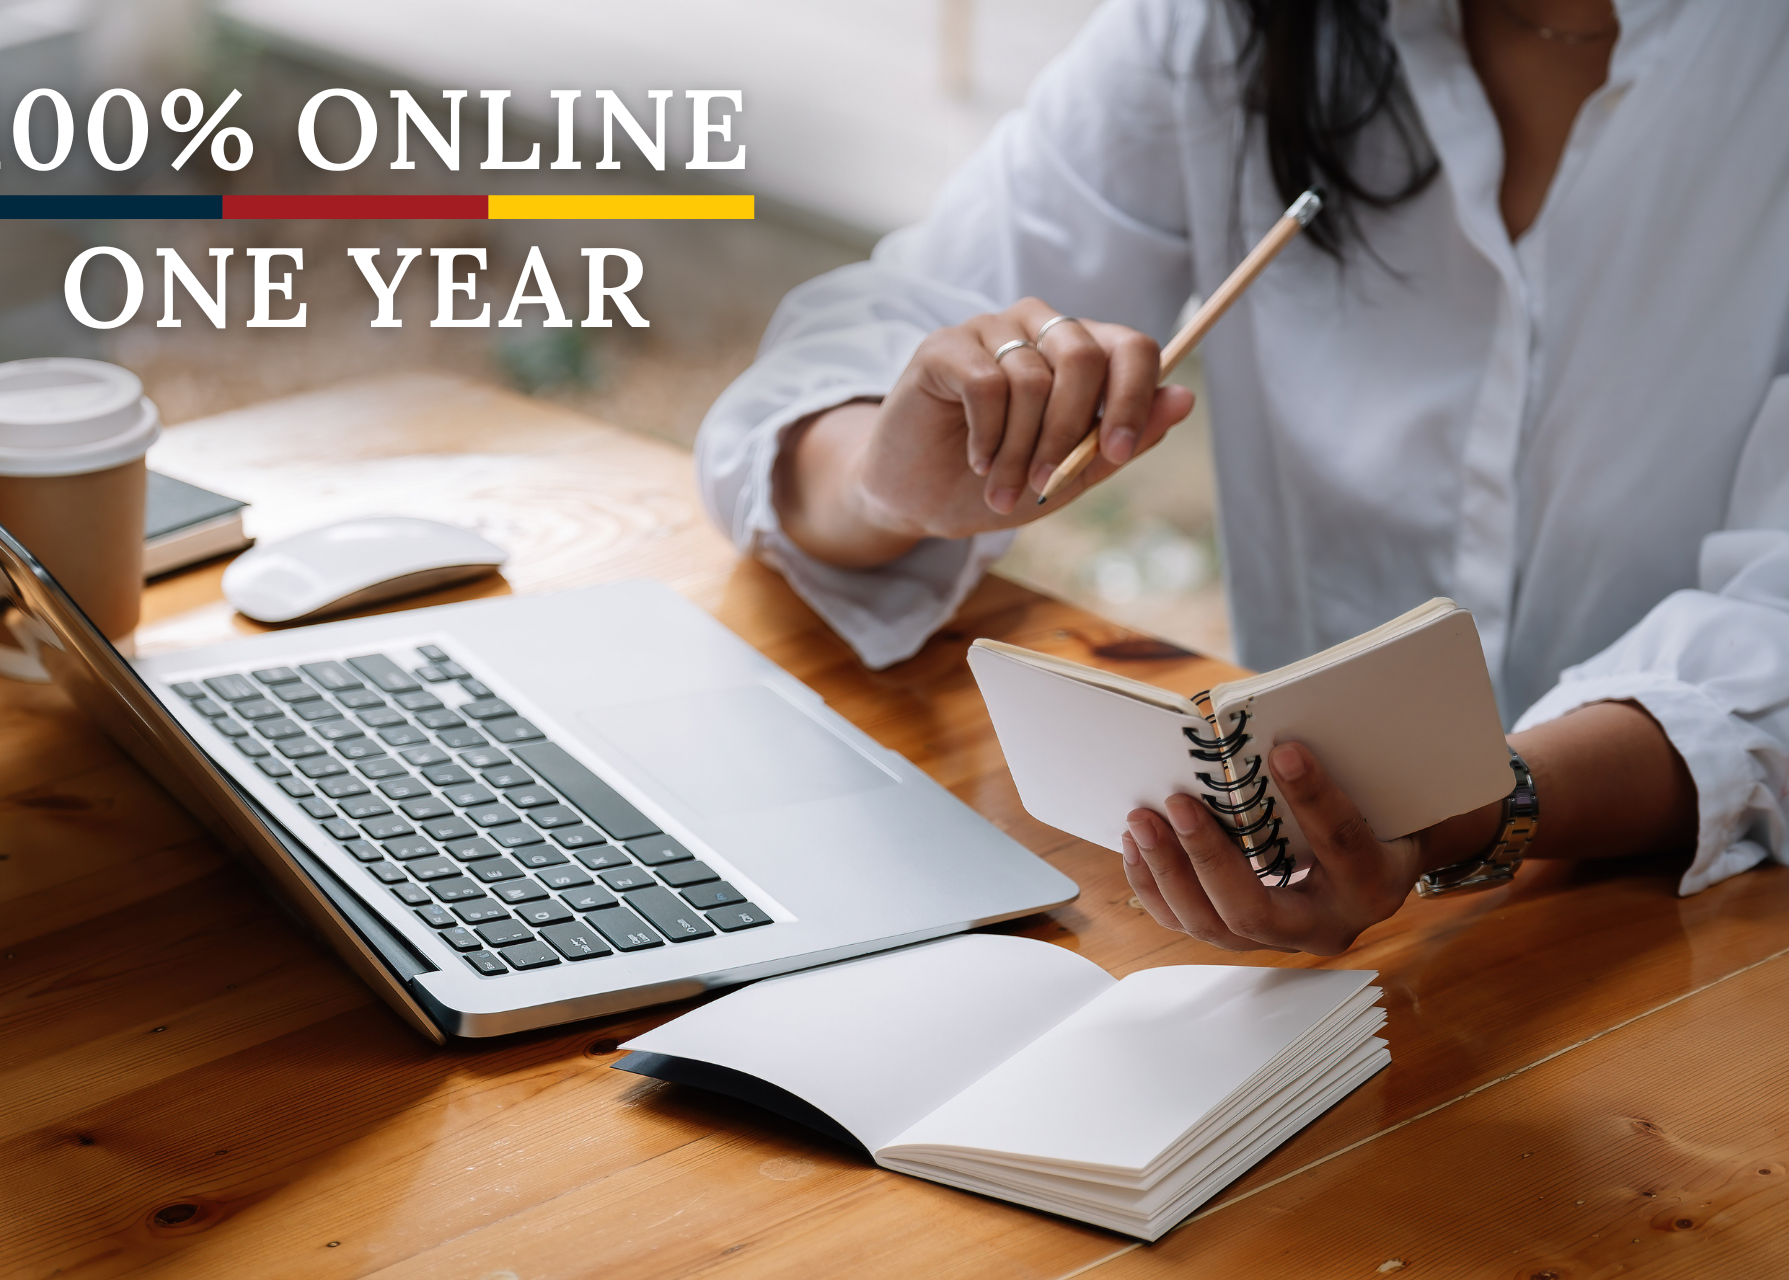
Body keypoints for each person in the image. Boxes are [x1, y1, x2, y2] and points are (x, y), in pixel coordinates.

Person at [696, 0, 1789, 955]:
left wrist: (1464, 811)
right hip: (1302, 936)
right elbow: (864, 346)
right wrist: (889, 482)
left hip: (1704, 938)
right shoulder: (1236, 24)